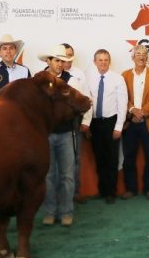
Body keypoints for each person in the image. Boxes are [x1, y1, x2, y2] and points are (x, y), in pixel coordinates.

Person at [39, 45, 88, 226]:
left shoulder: (72, 80)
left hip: (67, 132)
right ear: (48, 61)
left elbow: (83, 103)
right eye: (57, 60)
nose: (60, 64)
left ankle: (67, 211)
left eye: (63, 61)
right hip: (45, 134)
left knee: (67, 174)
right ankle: (50, 211)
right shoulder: (38, 80)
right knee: (48, 175)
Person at [121, 44, 149, 200]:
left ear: (147, 57)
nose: (141, 56)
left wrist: (142, 113)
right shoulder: (124, 75)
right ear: (133, 57)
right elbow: (122, 97)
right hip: (130, 121)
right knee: (129, 157)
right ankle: (131, 189)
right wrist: (133, 110)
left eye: (144, 54)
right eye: (138, 54)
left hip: (148, 121)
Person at [88, 49, 128, 204]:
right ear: (95, 62)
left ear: (109, 61)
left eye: (106, 60)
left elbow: (122, 104)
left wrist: (119, 126)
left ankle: (111, 192)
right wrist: (87, 124)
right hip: (95, 123)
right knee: (99, 157)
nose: (103, 62)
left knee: (111, 158)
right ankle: (102, 190)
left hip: (111, 122)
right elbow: (88, 102)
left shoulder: (118, 79)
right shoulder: (89, 78)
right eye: (100, 60)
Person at [62, 43, 90, 204]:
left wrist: (86, 121)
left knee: (75, 158)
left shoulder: (79, 74)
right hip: (56, 123)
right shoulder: (49, 74)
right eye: (65, 55)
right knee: (56, 159)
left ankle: (75, 192)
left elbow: (87, 98)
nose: (68, 58)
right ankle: (59, 195)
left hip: (75, 121)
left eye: (70, 54)